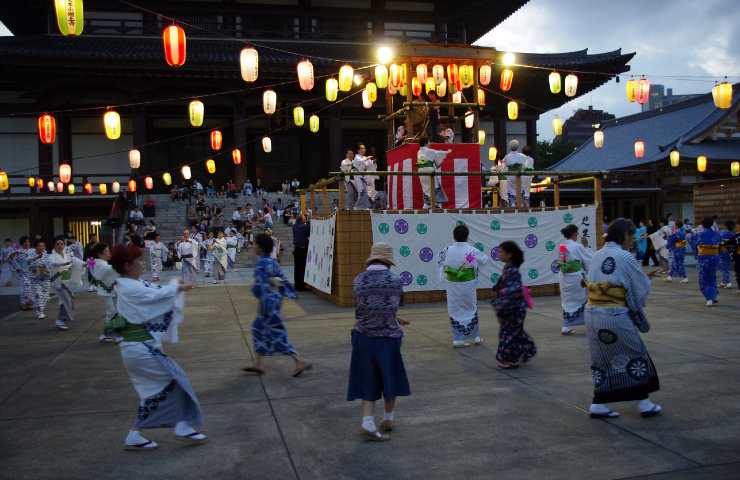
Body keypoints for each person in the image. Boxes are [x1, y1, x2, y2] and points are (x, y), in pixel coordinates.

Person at [108, 244, 207, 451]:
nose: (142, 263)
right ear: (127, 265)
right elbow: (157, 297)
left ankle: (136, 435)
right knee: (176, 381)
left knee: (153, 392)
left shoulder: (130, 284)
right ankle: (181, 425)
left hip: (138, 348)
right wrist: (177, 287)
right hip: (140, 349)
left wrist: (175, 287)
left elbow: (158, 293)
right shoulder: (129, 287)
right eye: (138, 260)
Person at [584, 218, 662, 419]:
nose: (633, 241)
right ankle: (644, 403)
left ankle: (598, 404)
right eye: (632, 237)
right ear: (625, 235)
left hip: (592, 314)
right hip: (613, 315)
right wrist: (639, 297)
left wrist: (644, 279)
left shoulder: (597, 254)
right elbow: (637, 289)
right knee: (636, 353)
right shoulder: (625, 256)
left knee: (602, 359)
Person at [348, 242, 411, 442]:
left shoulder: (358, 280)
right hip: (388, 339)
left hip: (363, 337)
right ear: (388, 261)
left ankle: (367, 421)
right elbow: (395, 307)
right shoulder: (395, 280)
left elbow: (359, 311)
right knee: (389, 377)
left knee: (369, 378)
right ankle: (388, 418)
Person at [242, 234, 311, 377]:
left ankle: (299, 361)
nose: (253, 246)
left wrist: (259, 294)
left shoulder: (261, 264)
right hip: (274, 301)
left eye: (254, 244)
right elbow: (283, 280)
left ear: (260, 247)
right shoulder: (273, 262)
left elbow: (260, 286)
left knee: (276, 333)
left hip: (267, 304)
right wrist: (288, 293)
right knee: (258, 329)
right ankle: (258, 364)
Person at [439, 224, 489, 347]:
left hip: (452, 284)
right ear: (467, 236)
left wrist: (444, 277)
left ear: (454, 237)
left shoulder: (447, 249)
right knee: (471, 307)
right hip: (468, 283)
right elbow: (485, 259)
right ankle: (475, 337)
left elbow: (440, 264)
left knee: (455, 308)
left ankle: (458, 339)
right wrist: (472, 265)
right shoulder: (471, 250)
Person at [491, 241, 537, 369]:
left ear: (509, 254)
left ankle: (509, 359)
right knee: (514, 332)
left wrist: (500, 302)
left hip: (513, 308)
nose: (498, 254)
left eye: (501, 251)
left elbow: (513, 289)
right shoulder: (508, 268)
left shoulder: (512, 270)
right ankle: (528, 350)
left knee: (509, 334)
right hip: (512, 308)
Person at [557, 224, 593, 335]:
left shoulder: (561, 246)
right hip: (576, 277)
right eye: (577, 233)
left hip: (564, 277)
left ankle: (566, 326)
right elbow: (588, 260)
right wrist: (586, 247)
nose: (577, 235)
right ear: (573, 233)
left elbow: (562, 261)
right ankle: (589, 323)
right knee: (583, 299)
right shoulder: (577, 246)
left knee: (568, 302)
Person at [46, 235, 84, 331]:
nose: (60, 245)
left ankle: (61, 319)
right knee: (66, 300)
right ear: (54, 246)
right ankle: (60, 320)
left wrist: (86, 263)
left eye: (62, 244)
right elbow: (52, 264)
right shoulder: (51, 257)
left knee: (67, 300)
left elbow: (77, 261)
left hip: (67, 281)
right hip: (58, 282)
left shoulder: (67, 255)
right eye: (57, 244)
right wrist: (64, 264)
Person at [89, 242, 119, 343]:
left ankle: (107, 334)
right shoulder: (101, 265)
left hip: (110, 291)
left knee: (114, 312)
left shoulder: (97, 263)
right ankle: (112, 334)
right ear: (100, 254)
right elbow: (110, 270)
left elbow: (90, 263)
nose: (109, 253)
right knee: (113, 312)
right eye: (106, 251)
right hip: (106, 292)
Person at [692, 216, 722, 306]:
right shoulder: (717, 234)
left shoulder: (700, 234)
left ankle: (709, 298)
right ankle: (713, 296)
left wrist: (697, 254)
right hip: (715, 257)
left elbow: (695, 245)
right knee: (712, 277)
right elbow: (720, 245)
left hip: (704, 258)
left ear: (702, 224)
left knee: (703, 279)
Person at [417, 137, 451, 208]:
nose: (430, 143)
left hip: (421, 171)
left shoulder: (419, 152)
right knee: (434, 186)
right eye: (429, 142)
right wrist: (447, 152)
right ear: (426, 143)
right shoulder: (428, 151)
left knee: (426, 188)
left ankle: (427, 204)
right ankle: (437, 204)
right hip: (429, 170)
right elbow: (438, 153)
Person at [501, 140, 529, 207]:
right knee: (520, 188)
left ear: (510, 147)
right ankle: (520, 203)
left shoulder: (507, 157)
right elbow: (526, 166)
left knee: (510, 189)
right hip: (519, 175)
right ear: (518, 146)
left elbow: (503, 167)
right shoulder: (523, 156)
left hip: (510, 175)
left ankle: (513, 202)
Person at [28, 239, 51, 320]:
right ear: (35, 247)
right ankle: (40, 312)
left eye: (43, 246)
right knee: (38, 295)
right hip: (35, 279)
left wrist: (45, 269)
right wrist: (36, 258)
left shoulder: (47, 255)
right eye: (39, 246)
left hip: (45, 278)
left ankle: (40, 308)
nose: (41, 247)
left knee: (46, 296)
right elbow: (28, 262)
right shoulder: (31, 254)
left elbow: (49, 265)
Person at [11, 236, 33, 310]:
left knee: (30, 289)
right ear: (22, 243)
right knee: (23, 289)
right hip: (23, 273)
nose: (27, 243)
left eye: (28, 242)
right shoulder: (18, 251)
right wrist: (18, 268)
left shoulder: (32, 251)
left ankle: (29, 303)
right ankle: (23, 303)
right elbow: (13, 260)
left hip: (31, 273)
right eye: (25, 242)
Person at [292, 215, 310, 291]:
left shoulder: (294, 226)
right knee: (302, 268)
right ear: (302, 220)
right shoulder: (303, 227)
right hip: (302, 249)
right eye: (305, 219)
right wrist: (309, 223)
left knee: (297, 268)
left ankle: (297, 284)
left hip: (296, 249)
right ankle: (302, 285)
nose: (306, 219)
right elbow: (308, 233)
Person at [353, 144, 371, 209]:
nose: (364, 150)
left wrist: (372, 161)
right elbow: (360, 161)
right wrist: (367, 158)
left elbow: (369, 166)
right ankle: (357, 206)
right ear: (358, 150)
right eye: (362, 148)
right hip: (358, 177)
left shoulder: (364, 157)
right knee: (361, 191)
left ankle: (365, 206)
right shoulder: (356, 157)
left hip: (364, 177)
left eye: (364, 148)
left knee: (365, 192)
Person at [719, 221, 734, 289]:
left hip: (723, 252)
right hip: (730, 252)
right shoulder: (733, 234)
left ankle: (728, 282)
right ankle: (723, 281)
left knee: (724, 268)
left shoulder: (722, 233)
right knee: (725, 267)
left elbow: (719, 242)